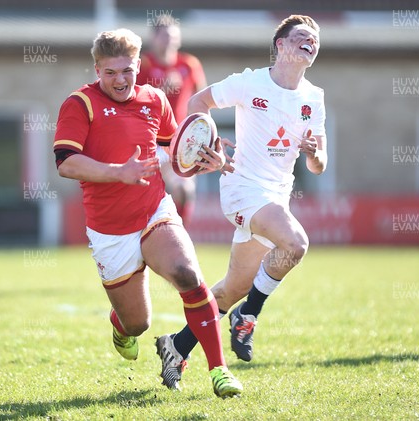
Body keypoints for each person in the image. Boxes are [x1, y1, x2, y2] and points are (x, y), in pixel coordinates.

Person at [52, 28, 242, 398]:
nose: (120, 80)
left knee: (188, 274)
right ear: (97, 69)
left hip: (154, 210)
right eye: (110, 73)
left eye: (126, 71)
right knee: (138, 323)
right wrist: (117, 173)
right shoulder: (80, 104)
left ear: (139, 65)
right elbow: (65, 163)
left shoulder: (154, 99)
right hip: (109, 230)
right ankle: (120, 325)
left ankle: (219, 370)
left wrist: (209, 158)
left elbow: (177, 148)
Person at [155, 15, 328, 387]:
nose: (310, 42)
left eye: (314, 39)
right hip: (242, 189)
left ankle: (176, 345)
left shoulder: (314, 98)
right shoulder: (249, 82)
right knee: (296, 245)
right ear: (280, 45)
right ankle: (249, 315)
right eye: (301, 36)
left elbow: (318, 165)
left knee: (230, 289)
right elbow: (199, 100)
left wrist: (314, 154)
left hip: (276, 196)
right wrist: (207, 147)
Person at [136, 22, 207, 229]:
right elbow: (132, 100)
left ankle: (179, 234)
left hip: (179, 139)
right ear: (153, 39)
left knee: (185, 191)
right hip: (149, 140)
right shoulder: (143, 65)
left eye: (173, 36)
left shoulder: (189, 64)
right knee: (145, 195)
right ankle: (145, 237)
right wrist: (158, 89)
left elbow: (200, 99)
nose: (169, 41)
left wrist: (202, 131)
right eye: (164, 36)